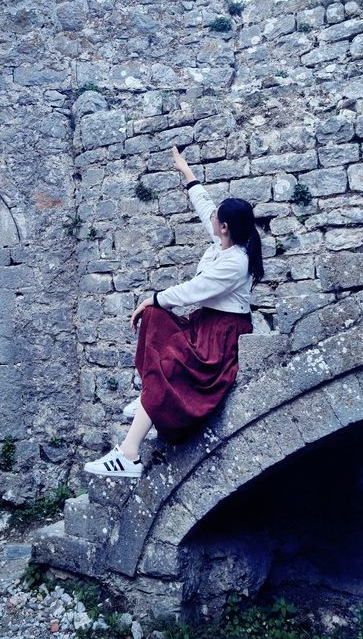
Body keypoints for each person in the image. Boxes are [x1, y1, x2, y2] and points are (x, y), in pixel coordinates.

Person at [84, 145, 264, 478]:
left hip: (221, 335)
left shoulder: (235, 262)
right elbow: (205, 205)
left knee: (168, 359)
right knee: (155, 323)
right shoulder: (223, 242)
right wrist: (186, 172)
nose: (211, 218)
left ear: (225, 227)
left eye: (217, 219)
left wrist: (153, 297)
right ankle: (149, 401)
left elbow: (195, 291)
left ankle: (129, 454)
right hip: (206, 324)